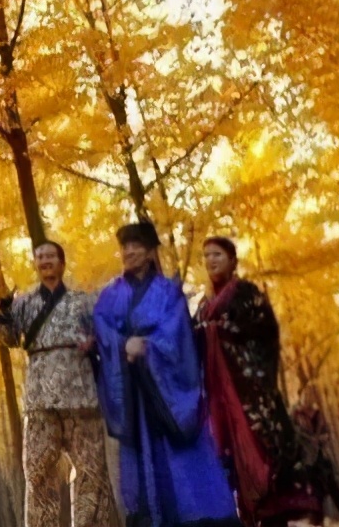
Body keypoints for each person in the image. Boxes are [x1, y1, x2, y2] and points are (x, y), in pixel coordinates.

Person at [92, 221, 242, 527]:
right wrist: (123, 345)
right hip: (133, 394)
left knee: (183, 461)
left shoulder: (168, 291)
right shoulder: (110, 295)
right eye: (125, 247)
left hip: (167, 391)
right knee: (140, 464)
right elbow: (102, 329)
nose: (129, 252)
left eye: (136, 246)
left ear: (150, 252)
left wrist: (148, 347)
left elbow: (178, 335)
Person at [194, 236, 322, 526]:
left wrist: (226, 333)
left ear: (233, 260)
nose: (211, 260)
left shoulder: (246, 293)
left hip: (250, 396)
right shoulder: (203, 305)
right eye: (206, 255)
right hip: (217, 397)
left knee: (263, 456)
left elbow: (266, 335)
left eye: (217, 254)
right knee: (230, 461)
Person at [0, 240, 115, 527]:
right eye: (40, 257)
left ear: (62, 263)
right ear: (36, 264)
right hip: (40, 401)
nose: (45, 260)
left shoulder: (83, 302)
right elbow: (9, 338)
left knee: (91, 472)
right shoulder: (23, 305)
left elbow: (106, 336)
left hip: (81, 397)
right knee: (38, 474)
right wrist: (2, 313)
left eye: (50, 256)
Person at [290, 385, 339, 524]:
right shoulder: (295, 414)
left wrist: (322, 438)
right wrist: (307, 439)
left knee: (331, 485)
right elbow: (293, 433)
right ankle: (317, 520)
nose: (308, 398)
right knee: (315, 489)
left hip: (319, 455)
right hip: (304, 456)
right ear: (300, 395)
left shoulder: (318, 414)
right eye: (306, 394)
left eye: (311, 395)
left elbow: (327, 432)